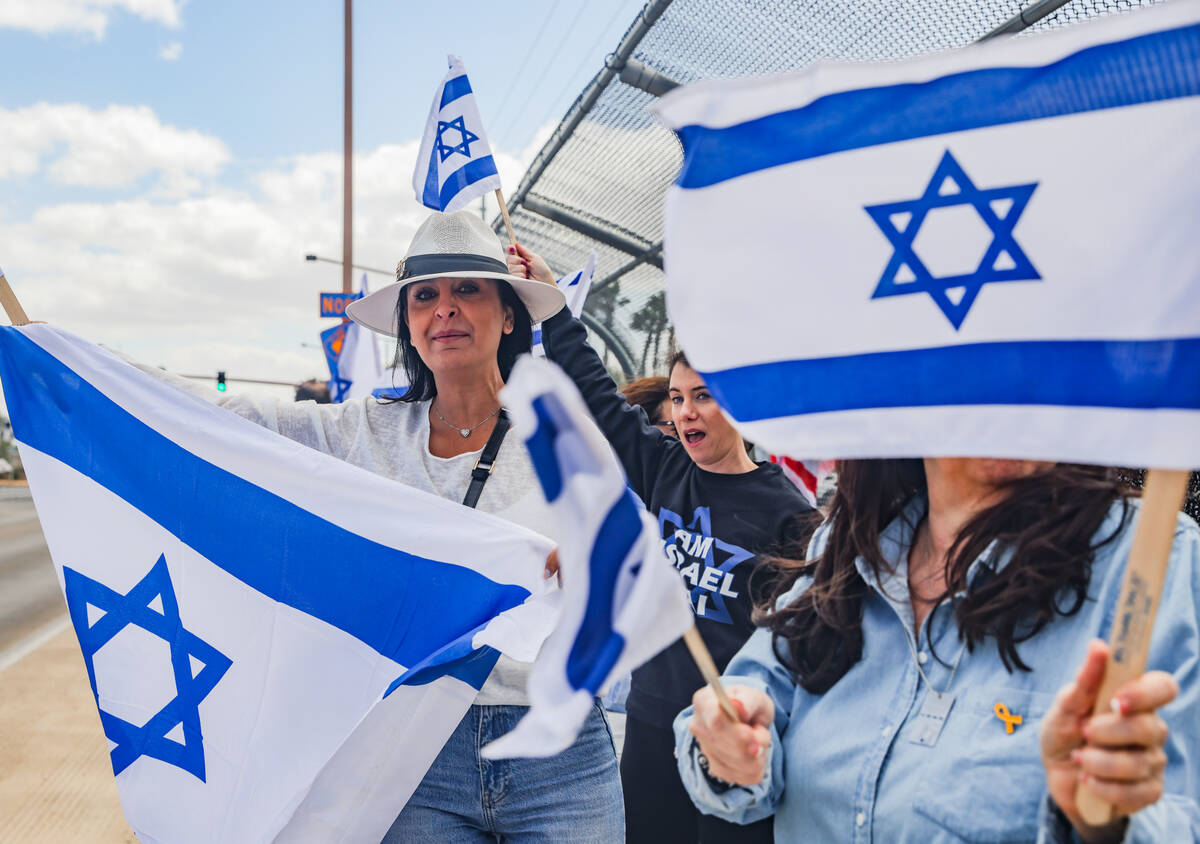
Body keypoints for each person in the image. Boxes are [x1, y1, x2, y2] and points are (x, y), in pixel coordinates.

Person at [130, 211, 624, 842]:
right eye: (426, 296)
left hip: (561, 752)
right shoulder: (361, 431)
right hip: (413, 751)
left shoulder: (575, 435)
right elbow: (235, 418)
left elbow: (641, 557)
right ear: (410, 326)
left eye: (468, 289)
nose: (445, 308)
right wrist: (89, 370)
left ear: (507, 315)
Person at [677, 459, 1199, 842]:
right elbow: (747, 700)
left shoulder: (1153, 564)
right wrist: (727, 741)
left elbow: (1179, 813)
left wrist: (1101, 820)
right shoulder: (849, 539)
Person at [508, 243, 815, 843]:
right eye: (678, 398)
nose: (685, 412)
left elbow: (799, 643)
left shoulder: (789, 514)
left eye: (704, 395)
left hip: (728, 737)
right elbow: (597, 395)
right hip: (651, 727)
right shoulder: (663, 467)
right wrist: (551, 308)